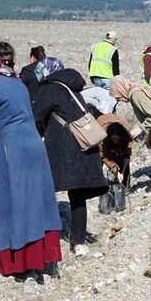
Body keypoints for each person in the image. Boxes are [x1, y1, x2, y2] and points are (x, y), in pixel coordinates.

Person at [0, 45, 62, 279]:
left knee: (11, 202)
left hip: (12, 149)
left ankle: (16, 262)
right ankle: (40, 258)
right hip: (34, 146)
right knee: (35, 201)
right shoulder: (17, 81)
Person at [31, 62, 108, 256]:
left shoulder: (49, 89)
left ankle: (40, 235)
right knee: (78, 195)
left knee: (44, 188)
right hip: (84, 145)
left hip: (63, 148)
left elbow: (35, 116)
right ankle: (79, 241)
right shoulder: (71, 87)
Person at [97, 113, 133, 200]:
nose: (116, 141)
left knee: (123, 160)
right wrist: (116, 170)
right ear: (110, 136)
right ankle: (98, 185)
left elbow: (129, 144)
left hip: (120, 125)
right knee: (98, 160)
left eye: (117, 139)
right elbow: (104, 156)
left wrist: (127, 156)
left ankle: (125, 186)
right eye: (114, 139)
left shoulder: (127, 133)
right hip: (101, 124)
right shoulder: (102, 137)